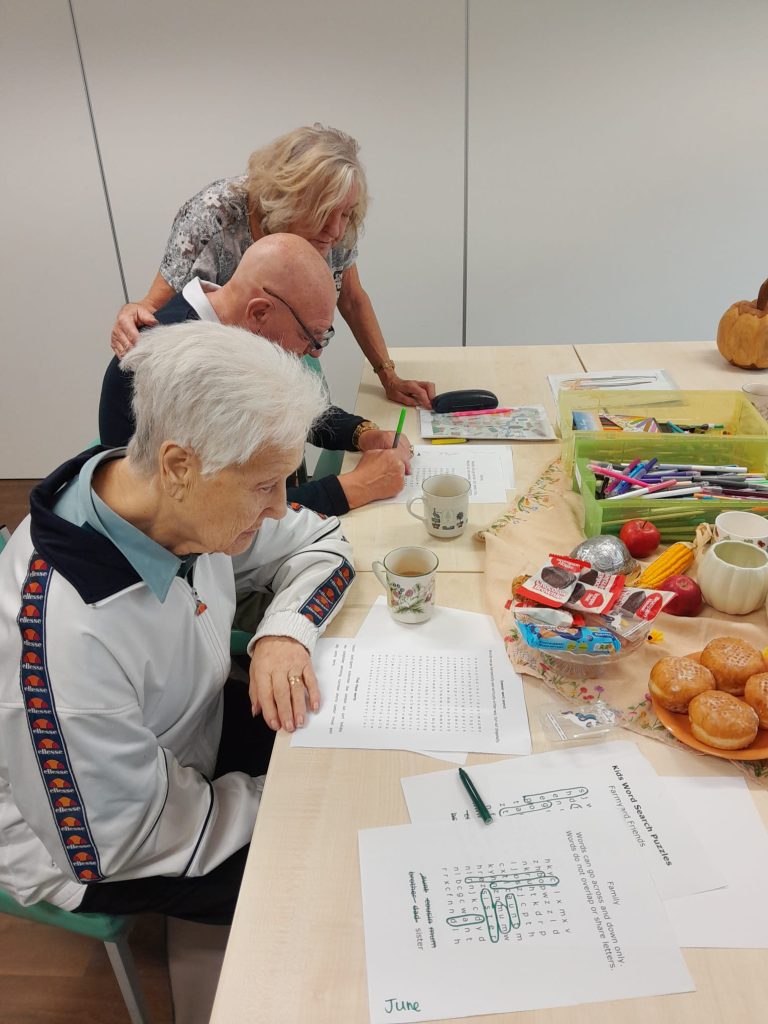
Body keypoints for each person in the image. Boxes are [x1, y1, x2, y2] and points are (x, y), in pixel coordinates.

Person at [0, 322, 354, 924]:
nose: (278, 507)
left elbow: (322, 543)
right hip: (94, 847)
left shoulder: (168, 498)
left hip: (192, 737)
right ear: (180, 467)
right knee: (329, 869)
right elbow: (125, 837)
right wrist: (279, 798)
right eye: (266, 486)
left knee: (352, 760)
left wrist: (283, 631)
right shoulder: (65, 634)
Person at [109, 123, 436, 408]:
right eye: (324, 213)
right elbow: (156, 309)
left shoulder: (335, 226)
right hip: (217, 373)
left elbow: (351, 297)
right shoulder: (212, 217)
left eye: (347, 213)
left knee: (305, 420)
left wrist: (389, 376)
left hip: (286, 345)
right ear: (288, 198)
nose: (336, 231)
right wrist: (131, 312)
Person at [100, 234, 411, 516]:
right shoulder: (188, 369)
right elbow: (241, 518)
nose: (315, 352)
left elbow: (284, 410)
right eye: (312, 336)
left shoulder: (227, 321)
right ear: (260, 312)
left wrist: (364, 434)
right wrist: (359, 485)